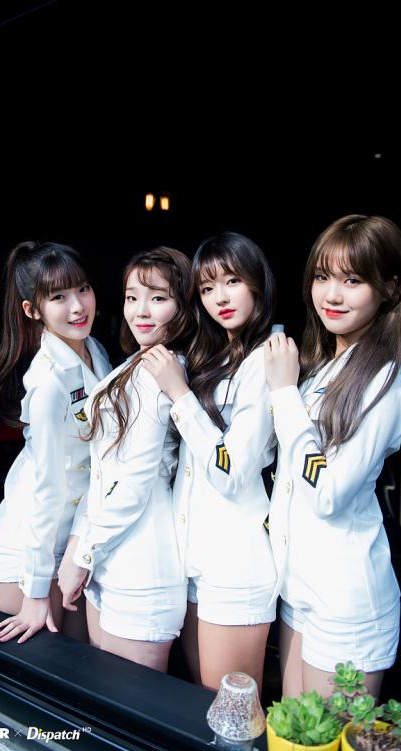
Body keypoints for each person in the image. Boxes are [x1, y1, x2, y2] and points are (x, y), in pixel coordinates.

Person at [264, 214, 401, 699]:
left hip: (346, 603)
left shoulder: (385, 382)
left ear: (388, 289)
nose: (332, 295)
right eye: (322, 277)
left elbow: (328, 492)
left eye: (352, 281)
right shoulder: (324, 367)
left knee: (327, 735)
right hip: (300, 589)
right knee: (292, 730)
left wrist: (283, 393)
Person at [141, 231, 281, 692]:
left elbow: (231, 472)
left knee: (230, 710)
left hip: (234, 564)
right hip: (194, 558)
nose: (219, 297)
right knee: (202, 706)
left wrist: (178, 392)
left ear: (257, 282)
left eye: (232, 281)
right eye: (207, 287)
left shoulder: (267, 359)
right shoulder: (217, 354)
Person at [57, 246, 194, 672]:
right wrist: (82, 549)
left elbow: (133, 483)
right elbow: (104, 472)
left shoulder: (161, 370)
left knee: (129, 705)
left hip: (141, 567)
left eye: (158, 298)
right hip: (111, 557)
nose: (140, 311)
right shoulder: (137, 363)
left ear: (182, 305)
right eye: (132, 297)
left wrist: (82, 555)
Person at [0, 241, 111, 644]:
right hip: (26, 550)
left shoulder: (95, 351)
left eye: (83, 289)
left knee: (82, 660)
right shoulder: (48, 383)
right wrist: (36, 590)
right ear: (32, 310)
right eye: (58, 297)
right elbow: (47, 489)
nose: (77, 306)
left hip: (70, 539)